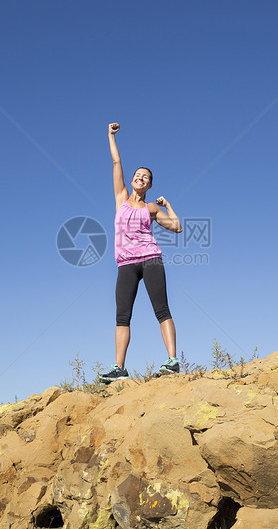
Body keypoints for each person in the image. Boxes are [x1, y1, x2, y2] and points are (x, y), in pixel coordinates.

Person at [99, 122, 183, 383]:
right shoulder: (121, 197)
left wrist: (167, 205)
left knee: (162, 309)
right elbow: (116, 163)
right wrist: (111, 136)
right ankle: (119, 368)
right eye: (138, 174)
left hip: (150, 260)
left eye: (145, 177)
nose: (140, 178)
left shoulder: (151, 209)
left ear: (149, 185)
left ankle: (172, 361)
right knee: (122, 315)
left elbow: (177, 227)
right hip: (126, 264)